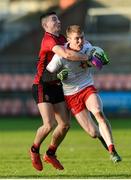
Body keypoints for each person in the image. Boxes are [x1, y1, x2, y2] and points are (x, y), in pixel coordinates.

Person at [46, 25, 122, 163]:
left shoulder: (88, 48)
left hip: (87, 87)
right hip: (71, 96)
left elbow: (98, 62)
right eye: (77, 39)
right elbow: (47, 74)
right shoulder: (60, 56)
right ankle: (103, 139)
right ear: (69, 39)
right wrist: (59, 76)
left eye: (82, 37)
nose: (80, 41)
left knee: (98, 112)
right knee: (93, 133)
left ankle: (112, 150)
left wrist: (102, 60)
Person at [30, 12, 90, 171]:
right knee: (49, 124)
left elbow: (77, 50)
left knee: (65, 124)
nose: (58, 21)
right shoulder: (48, 39)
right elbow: (65, 54)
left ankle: (50, 153)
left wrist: (92, 53)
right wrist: (87, 58)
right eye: (53, 19)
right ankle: (34, 149)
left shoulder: (63, 38)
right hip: (42, 85)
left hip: (57, 84)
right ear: (45, 25)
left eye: (58, 18)